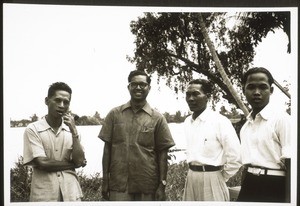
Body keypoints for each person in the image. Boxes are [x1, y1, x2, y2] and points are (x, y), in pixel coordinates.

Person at [99, 70, 175, 201]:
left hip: (147, 185)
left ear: (149, 88)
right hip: (119, 185)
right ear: (128, 87)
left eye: (142, 84)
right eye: (134, 84)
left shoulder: (158, 118)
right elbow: (107, 149)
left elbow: (163, 153)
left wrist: (162, 185)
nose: (138, 87)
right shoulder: (114, 114)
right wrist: (105, 180)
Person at [23, 82, 87, 201]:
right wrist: (73, 165)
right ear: (47, 101)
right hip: (44, 196)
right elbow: (44, 163)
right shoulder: (33, 129)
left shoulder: (73, 131)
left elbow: (79, 159)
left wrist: (74, 131)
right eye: (57, 100)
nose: (62, 105)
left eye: (66, 102)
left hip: (71, 194)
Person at [237, 67, 291, 202]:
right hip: (249, 185)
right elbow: (246, 165)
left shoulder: (281, 120)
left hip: (275, 185)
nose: (256, 92)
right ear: (243, 90)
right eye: (251, 87)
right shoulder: (246, 126)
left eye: (263, 87)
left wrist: (291, 200)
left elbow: (292, 163)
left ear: (271, 90)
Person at [182, 79, 241, 201]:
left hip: (212, 177)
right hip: (191, 176)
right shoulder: (187, 121)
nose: (191, 98)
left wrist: (220, 176)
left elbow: (236, 157)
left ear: (207, 97)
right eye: (188, 94)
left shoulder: (220, 121)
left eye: (196, 94)